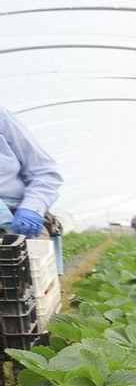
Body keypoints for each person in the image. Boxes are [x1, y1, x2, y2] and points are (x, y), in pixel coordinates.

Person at [1, 106, 64, 270]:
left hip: (14, 222)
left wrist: (31, 208)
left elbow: (44, 172)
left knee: (33, 281)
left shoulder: (2, 119)